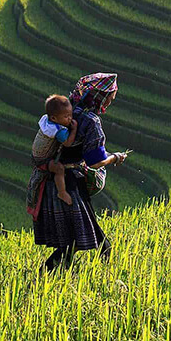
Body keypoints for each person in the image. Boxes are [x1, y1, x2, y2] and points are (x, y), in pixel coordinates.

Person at [28, 73, 128, 272]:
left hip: (51, 180)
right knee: (75, 238)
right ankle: (45, 273)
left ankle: (103, 266)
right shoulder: (91, 121)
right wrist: (115, 157)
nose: (109, 103)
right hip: (70, 183)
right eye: (109, 98)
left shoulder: (68, 110)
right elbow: (97, 161)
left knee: (83, 232)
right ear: (100, 96)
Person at [28, 94, 78, 218]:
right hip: (43, 159)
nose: (70, 119)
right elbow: (67, 143)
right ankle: (62, 193)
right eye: (66, 117)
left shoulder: (47, 120)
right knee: (59, 169)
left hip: (36, 154)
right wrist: (74, 130)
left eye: (70, 115)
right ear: (54, 118)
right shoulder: (57, 130)